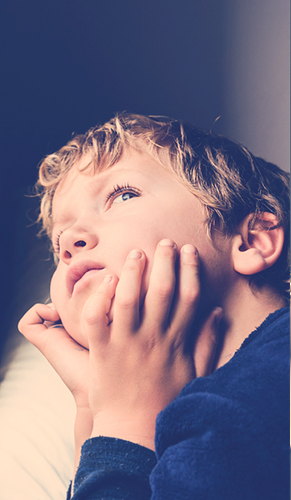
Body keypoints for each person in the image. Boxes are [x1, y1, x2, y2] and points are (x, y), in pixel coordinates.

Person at [18, 113, 289, 499]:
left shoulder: (252, 400)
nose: (69, 241)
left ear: (251, 241)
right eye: (58, 238)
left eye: (122, 195)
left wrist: (125, 422)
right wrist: (94, 410)